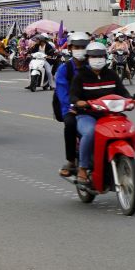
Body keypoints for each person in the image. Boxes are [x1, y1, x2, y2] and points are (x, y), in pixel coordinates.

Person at [70, 42, 135, 185]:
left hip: (110, 115)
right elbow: (73, 96)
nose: (98, 59)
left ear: (105, 57)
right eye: (94, 56)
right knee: (90, 132)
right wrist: (79, 102)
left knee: (128, 129)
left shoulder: (112, 74)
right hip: (87, 115)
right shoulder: (81, 76)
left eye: (100, 56)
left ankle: (128, 165)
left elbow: (123, 92)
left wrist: (130, 101)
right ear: (88, 58)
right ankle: (83, 168)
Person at [55, 33, 90, 177]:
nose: (80, 49)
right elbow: (62, 94)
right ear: (70, 48)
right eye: (77, 47)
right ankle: (71, 160)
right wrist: (73, 105)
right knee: (70, 124)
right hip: (71, 108)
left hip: (91, 106)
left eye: (83, 47)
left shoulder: (92, 66)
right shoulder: (64, 69)